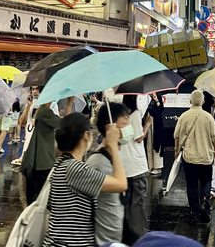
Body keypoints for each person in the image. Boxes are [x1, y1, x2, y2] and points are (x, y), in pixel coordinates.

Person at [43, 112, 127, 247]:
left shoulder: (62, 163)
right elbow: (121, 184)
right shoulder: (75, 169)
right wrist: (113, 145)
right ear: (87, 135)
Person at [87, 102, 130, 245]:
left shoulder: (114, 156)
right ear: (109, 127)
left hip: (116, 234)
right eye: (124, 124)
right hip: (103, 240)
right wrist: (112, 143)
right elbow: (121, 185)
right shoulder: (97, 162)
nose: (129, 129)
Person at [174, 90, 215, 224]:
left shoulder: (184, 116)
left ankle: (194, 211)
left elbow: (177, 136)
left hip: (190, 157)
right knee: (206, 181)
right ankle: (204, 200)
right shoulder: (208, 117)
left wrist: (176, 151)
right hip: (206, 157)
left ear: (190, 101)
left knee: (192, 185)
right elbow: (214, 138)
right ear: (203, 101)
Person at [120, 95, 150, 244]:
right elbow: (138, 138)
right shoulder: (136, 114)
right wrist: (148, 124)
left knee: (126, 203)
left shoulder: (120, 116)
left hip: (124, 165)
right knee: (138, 203)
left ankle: (127, 235)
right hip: (137, 165)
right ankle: (140, 237)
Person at [22, 100, 62, 204]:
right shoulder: (45, 111)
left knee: (36, 191)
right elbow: (61, 123)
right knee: (41, 192)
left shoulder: (42, 110)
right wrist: (70, 104)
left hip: (41, 155)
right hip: (43, 157)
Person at [145, 93, 164, 176]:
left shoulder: (158, 96)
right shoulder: (145, 97)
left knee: (156, 144)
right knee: (149, 144)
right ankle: (151, 166)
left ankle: (158, 167)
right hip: (148, 121)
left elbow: (161, 109)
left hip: (156, 122)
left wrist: (156, 100)